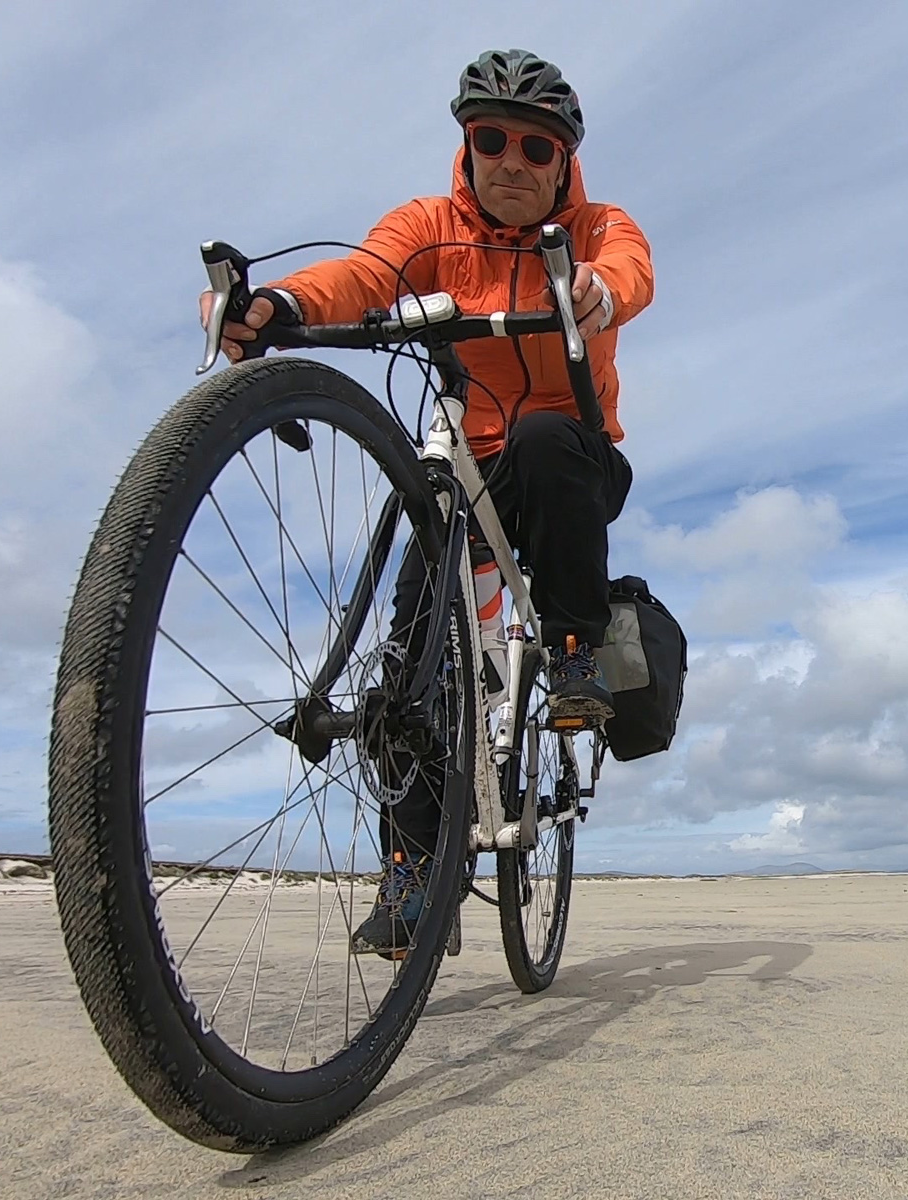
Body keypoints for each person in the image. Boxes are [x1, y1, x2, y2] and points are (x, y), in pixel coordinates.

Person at [203, 49, 653, 954]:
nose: (513, 162)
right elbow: (366, 276)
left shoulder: (599, 225)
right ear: (468, 145)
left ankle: (570, 649)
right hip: (467, 470)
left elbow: (628, 270)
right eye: (493, 140)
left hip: (569, 462)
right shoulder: (429, 225)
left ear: (564, 160)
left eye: (537, 147)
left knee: (542, 438)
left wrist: (596, 293)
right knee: (411, 669)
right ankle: (416, 876)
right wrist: (281, 303)